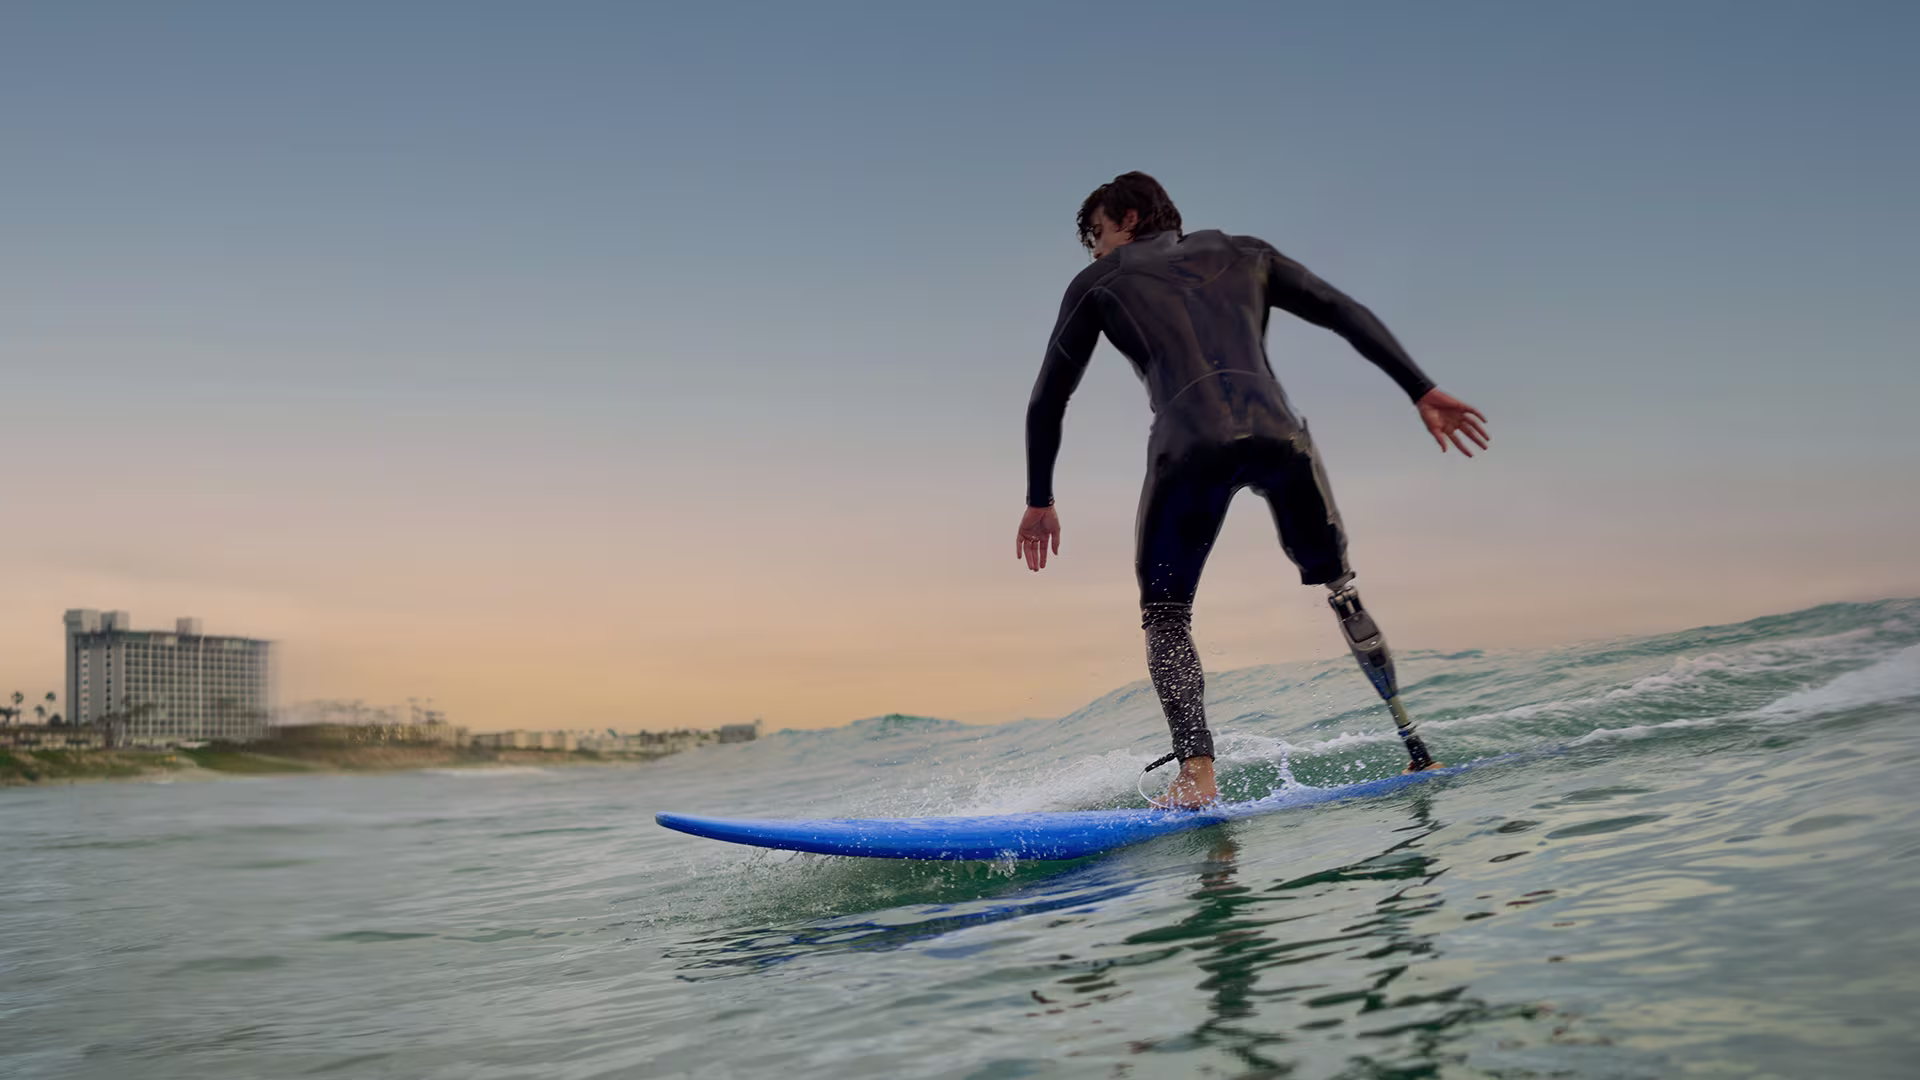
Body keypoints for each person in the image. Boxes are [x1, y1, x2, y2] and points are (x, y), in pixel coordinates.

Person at [1015, 172, 1489, 808]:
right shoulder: (1248, 252)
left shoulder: (1099, 282)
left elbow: (1049, 397)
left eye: (1097, 234)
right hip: (1281, 437)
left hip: (1188, 445)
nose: (1097, 251)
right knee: (1340, 589)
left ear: (1126, 217)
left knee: (1165, 615)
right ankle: (1416, 747)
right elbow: (1343, 312)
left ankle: (1197, 776)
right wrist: (1420, 388)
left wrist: (1039, 497)